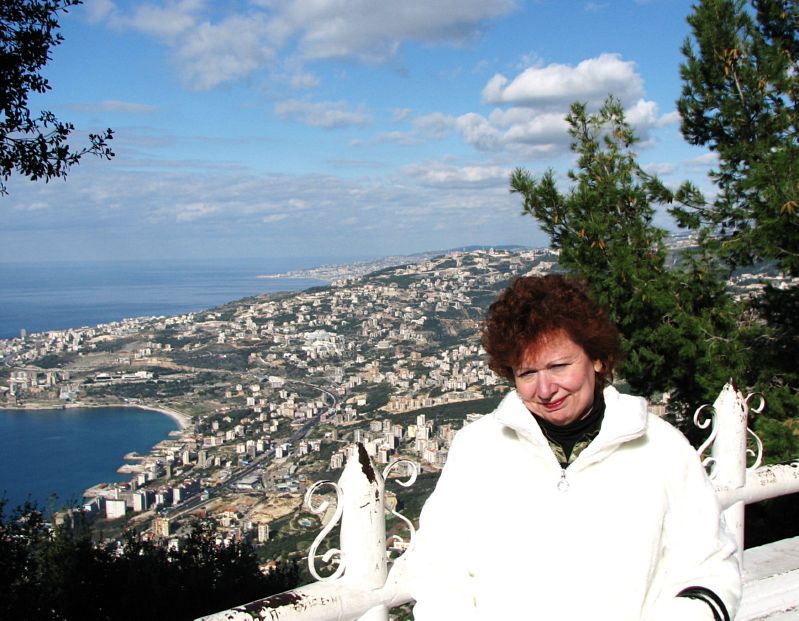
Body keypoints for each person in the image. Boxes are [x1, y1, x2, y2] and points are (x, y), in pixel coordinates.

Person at [407, 274, 741, 621]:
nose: (545, 389)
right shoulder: (478, 449)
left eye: (559, 366)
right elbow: (439, 568)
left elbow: (709, 569)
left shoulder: (661, 448)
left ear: (597, 359)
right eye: (527, 373)